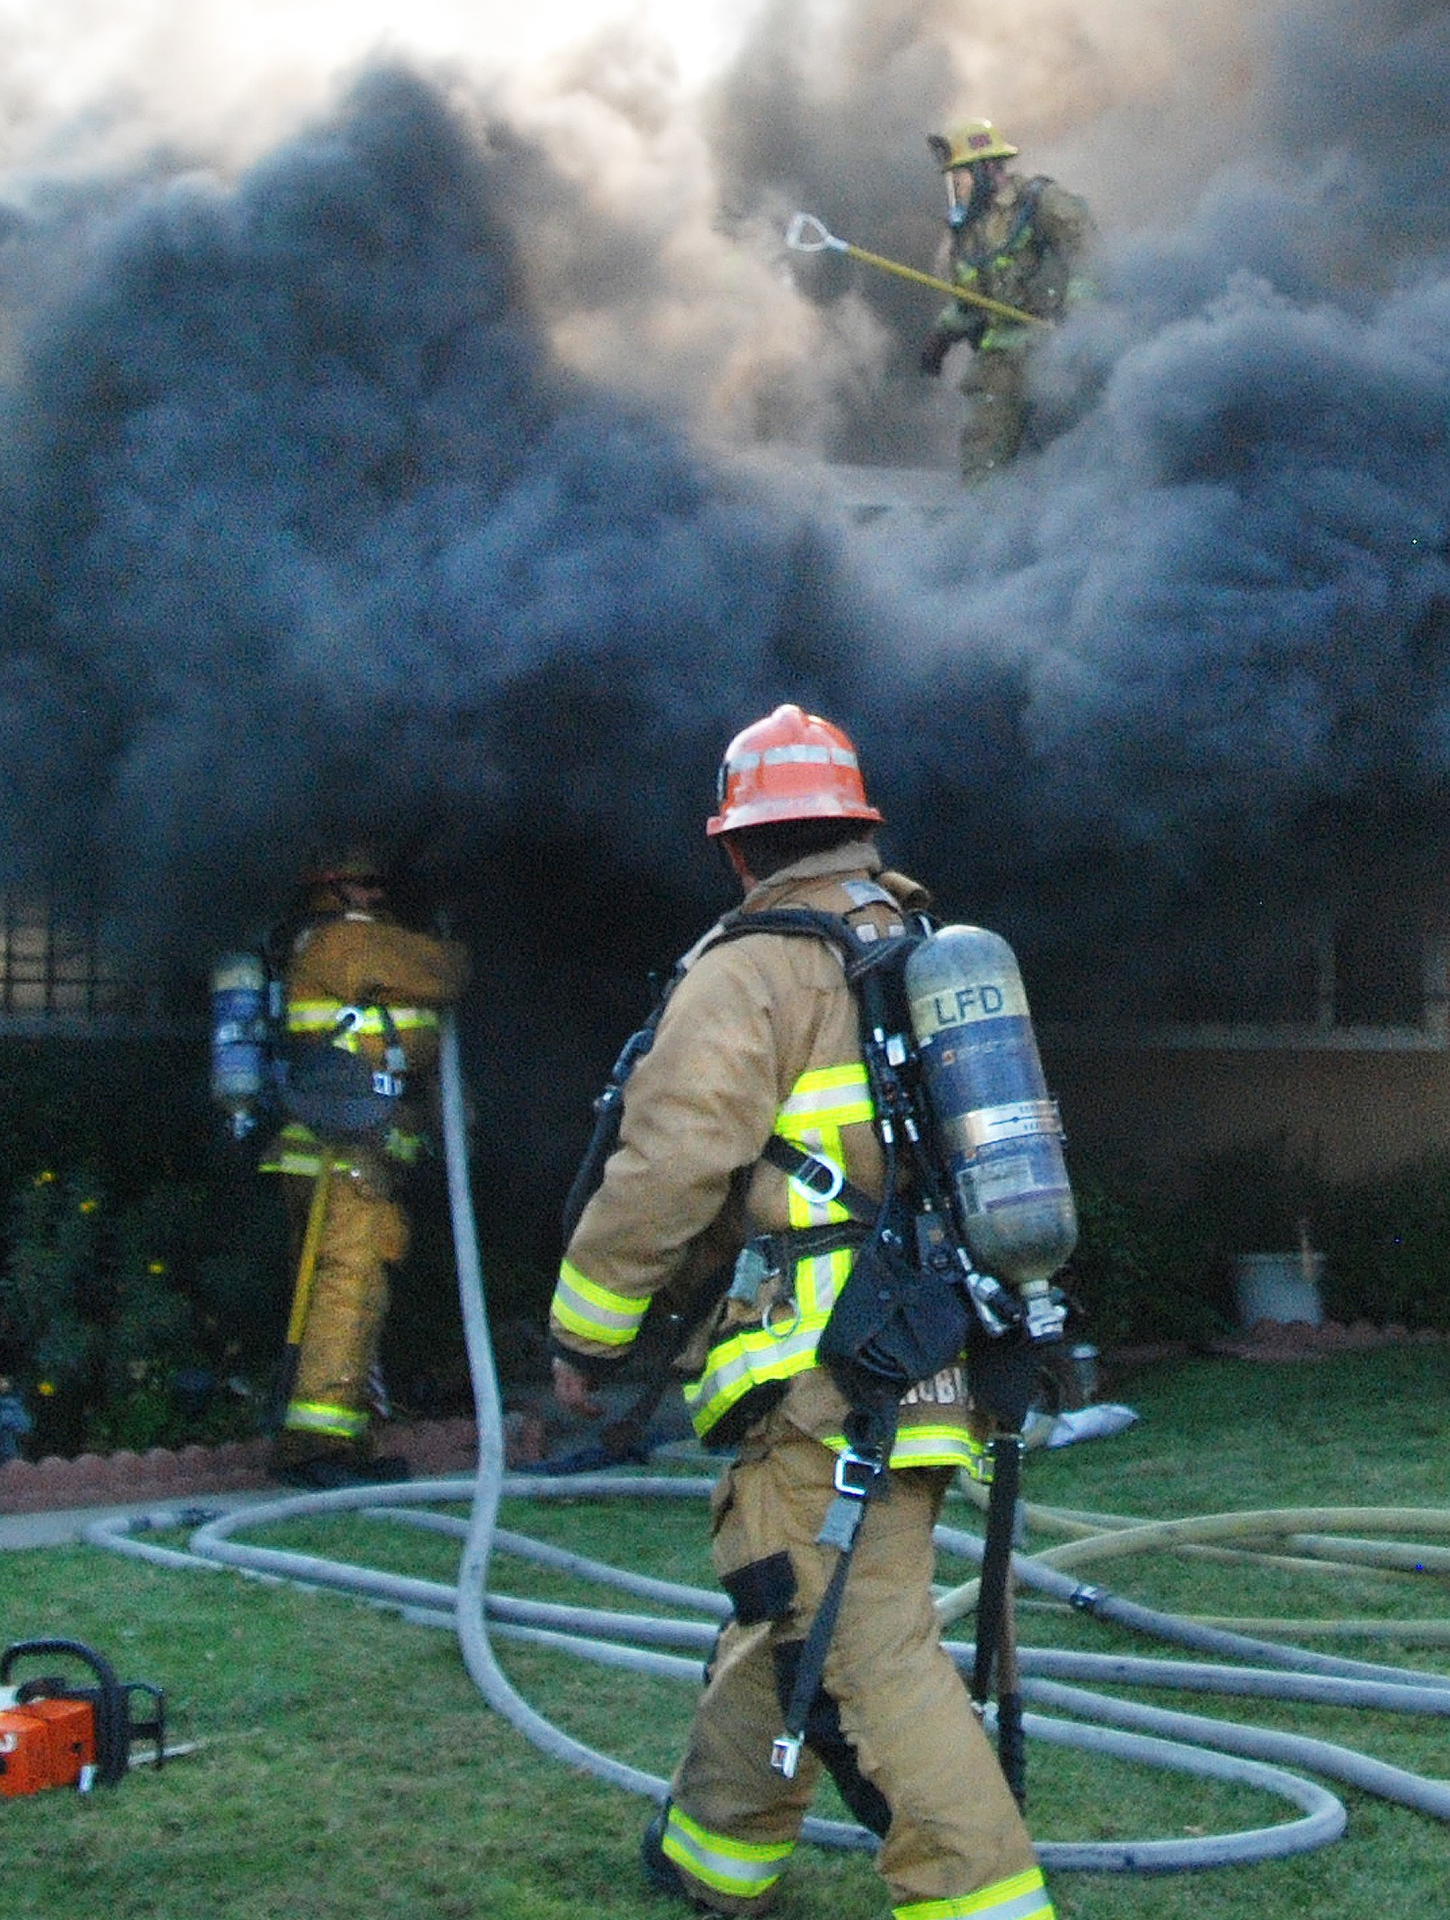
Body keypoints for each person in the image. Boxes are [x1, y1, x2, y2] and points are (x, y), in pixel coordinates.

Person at [548, 705, 1055, 1920]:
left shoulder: (752, 968)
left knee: (864, 1648)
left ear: (738, 848)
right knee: (793, 1603)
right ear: (856, 829)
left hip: (825, 1378)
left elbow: (668, 1167)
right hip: (934, 1351)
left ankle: (990, 1904)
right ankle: (710, 1862)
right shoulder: (914, 941)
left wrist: (588, 1335)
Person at [261, 847, 469, 1489]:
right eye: (368, 885)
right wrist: (452, 944)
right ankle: (316, 1447)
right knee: (346, 1290)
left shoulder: (318, 945)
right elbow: (445, 974)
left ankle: (339, 1440)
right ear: (335, 890)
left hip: (341, 1148)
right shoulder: (345, 943)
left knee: (336, 1293)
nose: (379, 898)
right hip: (343, 1157)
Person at [918, 117, 1095, 483]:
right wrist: (943, 337)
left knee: (1055, 454)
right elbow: (971, 301)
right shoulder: (969, 232)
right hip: (1002, 358)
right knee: (985, 457)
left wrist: (1078, 320)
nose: (957, 189)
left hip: (1053, 345)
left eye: (961, 178)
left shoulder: (1039, 202)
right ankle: (993, 524)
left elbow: (1087, 255)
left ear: (986, 169)